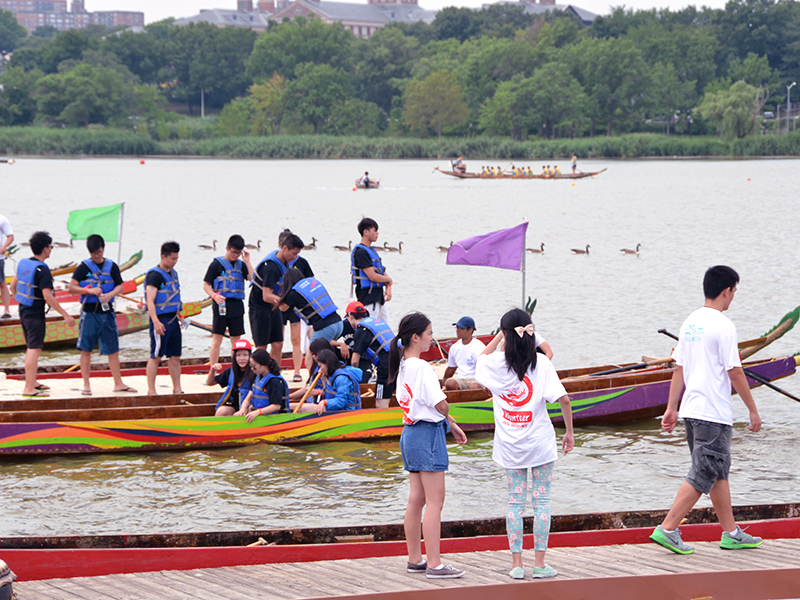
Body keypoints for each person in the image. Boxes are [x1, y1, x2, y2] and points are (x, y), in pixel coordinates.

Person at [650, 265, 763, 555]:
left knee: (717, 472)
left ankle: (731, 533)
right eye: (734, 292)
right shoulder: (724, 325)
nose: (733, 297)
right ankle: (668, 528)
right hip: (713, 412)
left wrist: (672, 407)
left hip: (692, 411)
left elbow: (679, 368)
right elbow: (735, 371)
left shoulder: (690, 322)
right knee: (704, 472)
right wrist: (752, 410)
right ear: (726, 291)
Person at [475, 309, 574, 580]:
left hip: (510, 446)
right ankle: (540, 564)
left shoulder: (494, 363)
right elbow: (564, 400)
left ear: (506, 335)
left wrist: (498, 337)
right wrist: (569, 433)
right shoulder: (542, 364)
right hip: (540, 445)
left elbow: (480, 358)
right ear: (530, 333)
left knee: (515, 503)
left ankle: (517, 564)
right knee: (542, 503)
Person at [390, 311, 467, 579]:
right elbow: (439, 403)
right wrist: (449, 416)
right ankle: (434, 563)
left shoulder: (403, 364)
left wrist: (451, 423)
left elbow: (421, 403)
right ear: (416, 337)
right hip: (427, 434)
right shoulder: (422, 366)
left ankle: (415, 558)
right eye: (430, 334)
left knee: (417, 499)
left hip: (410, 432)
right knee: (436, 500)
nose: (432, 339)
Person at [68, 234, 136, 396]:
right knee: (86, 349)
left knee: (113, 349)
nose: (96, 256)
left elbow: (120, 286)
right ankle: (86, 385)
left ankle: (118, 383)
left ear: (103, 249)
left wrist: (111, 294)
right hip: (89, 313)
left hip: (107, 313)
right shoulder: (83, 267)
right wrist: (88, 290)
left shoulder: (112, 266)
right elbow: (71, 288)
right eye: (93, 253)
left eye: (98, 252)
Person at [11, 231, 76, 397]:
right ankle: (28, 388)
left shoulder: (24, 263)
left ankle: (32, 381)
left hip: (24, 310)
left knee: (32, 347)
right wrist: (65, 315)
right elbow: (48, 296)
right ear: (45, 249)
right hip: (35, 314)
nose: (51, 249)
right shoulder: (43, 270)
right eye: (51, 246)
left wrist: (21, 299)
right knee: (34, 348)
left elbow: (13, 287)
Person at [249, 233, 303, 361]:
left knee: (278, 342)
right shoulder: (271, 267)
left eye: (297, 254)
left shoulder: (285, 263)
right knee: (262, 345)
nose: (295, 257)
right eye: (294, 253)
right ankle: (259, 375)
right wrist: (286, 302)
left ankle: (275, 373)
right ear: (285, 248)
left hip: (274, 307)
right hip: (260, 307)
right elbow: (266, 296)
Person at [202, 234, 253, 369]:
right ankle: (213, 368)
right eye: (233, 252)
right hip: (221, 305)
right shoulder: (216, 264)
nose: (236, 255)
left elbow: (252, 278)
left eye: (238, 252)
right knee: (217, 340)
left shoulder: (241, 265)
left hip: (236, 306)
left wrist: (247, 261)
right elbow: (206, 285)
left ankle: (236, 370)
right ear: (227, 248)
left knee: (236, 341)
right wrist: (214, 296)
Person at [275, 270, 344, 370]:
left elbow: (283, 308)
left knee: (309, 360)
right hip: (338, 323)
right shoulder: (309, 287)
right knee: (325, 352)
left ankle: (312, 381)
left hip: (325, 327)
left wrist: (277, 300)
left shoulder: (293, 294)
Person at [145, 241, 183, 396]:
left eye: (176, 258)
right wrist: (155, 322)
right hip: (160, 320)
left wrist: (181, 316)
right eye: (172, 259)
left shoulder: (174, 274)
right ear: (163, 257)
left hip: (173, 320)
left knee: (175, 356)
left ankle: (177, 388)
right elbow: (150, 300)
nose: (175, 262)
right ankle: (151, 390)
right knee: (156, 355)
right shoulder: (154, 275)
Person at [278, 229, 314, 383]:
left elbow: (311, 280)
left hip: (295, 305)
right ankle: (276, 370)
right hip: (280, 303)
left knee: (296, 339)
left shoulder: (301, 262)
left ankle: (297, 371)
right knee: (278, 340)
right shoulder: (276, 262)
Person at [348, 301, 395, 408]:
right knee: (389, 396)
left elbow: (355, 361)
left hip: (385, 366)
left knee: (380, 402)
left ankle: (383, 422)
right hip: (399, 360)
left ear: (350, 317)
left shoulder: (361, 330)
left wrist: (352, 378)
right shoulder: (376, 322)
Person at [351, 217, 392, 323]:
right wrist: (389, 280)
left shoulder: (372, 250)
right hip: (368, 297)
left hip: (378, 296)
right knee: (370, 326)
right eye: (375, 230)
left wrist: (388, 286)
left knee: (385, 327)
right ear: (366, 232)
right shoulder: (361, 252)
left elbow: (382, 272)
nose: (377, 233)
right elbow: (372, 276)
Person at [206, 338, 255, 416]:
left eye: (245, 355)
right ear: (234, 357)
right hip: (235, 404)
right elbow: (210, 383)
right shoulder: (230, 371)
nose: (241, 358)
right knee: (221, 411)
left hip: (251, 405)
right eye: (238, 355)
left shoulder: (255, 371)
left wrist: (246, 408)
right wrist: (212, 370)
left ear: (250, 356)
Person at [237, 349, 289, 422]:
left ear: (263, 364)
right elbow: (248, 398)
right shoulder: (258, 377)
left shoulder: (275, 382)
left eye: (254, 366)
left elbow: (276, 406)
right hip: (260, 417)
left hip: (276, 419)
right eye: (250, 366)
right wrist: (242, 409)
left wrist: (257, 412)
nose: (252, 369)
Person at [312, 349, 363, 415]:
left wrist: (324, 402)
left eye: (320, 366)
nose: (320, 369)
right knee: (299, 408)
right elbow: (329, 393)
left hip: (348, 414)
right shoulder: (331, 375)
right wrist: (323, 379)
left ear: (327, 364)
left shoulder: (341, 379)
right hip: (336, 411)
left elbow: (341, 401)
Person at [443, 316, 485, 391]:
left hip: (476, 380)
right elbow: (451, 368)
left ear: (470, 330)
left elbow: (485, 368)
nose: (458, 331)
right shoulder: (454, 347)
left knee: (473, 387)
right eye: (457, 328)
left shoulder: (479, 347)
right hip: (461, 380)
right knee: (450, 383)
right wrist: (442, 383)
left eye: (461, 329)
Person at [0, 213, 14, 319]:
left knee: (2, 283)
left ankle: (7, 310)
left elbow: (10, 236)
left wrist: (4, 247)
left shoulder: (2, 219)